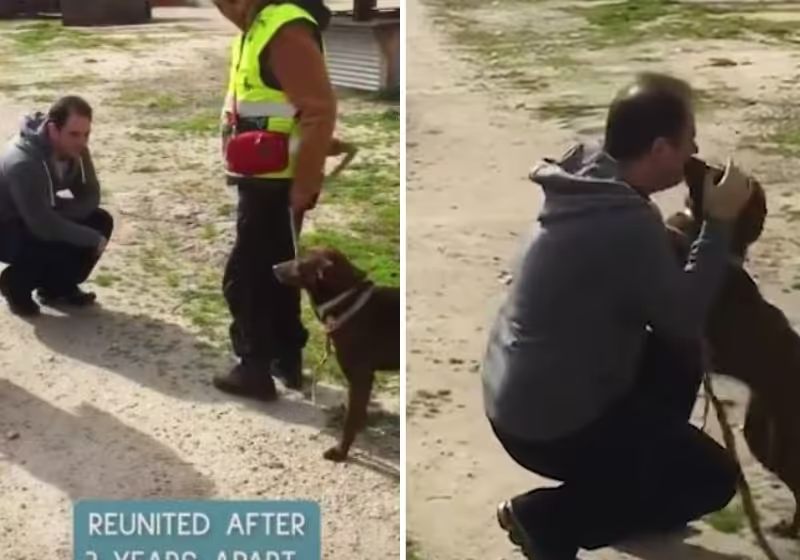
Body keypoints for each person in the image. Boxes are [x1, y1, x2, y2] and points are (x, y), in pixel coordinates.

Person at [481, 73, 753, 559]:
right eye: (690, 139)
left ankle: (628, 477)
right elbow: (685, 317)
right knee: (711, 481)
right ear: (661, 149)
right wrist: (720, 222)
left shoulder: (589, 182)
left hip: (519, 392)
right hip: (547, 426)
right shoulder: (623, 222)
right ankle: (546, 517)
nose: (696, 150)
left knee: (678, 363)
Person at [211, 0, 338, 401]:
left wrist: (305, 184)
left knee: (245, 279)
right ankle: (286, 358)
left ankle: (254, 368)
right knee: (279, 274)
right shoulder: (258, 23)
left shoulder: (283, 28)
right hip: (263, 175)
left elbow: (319, 109)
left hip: (276, 182)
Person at [0, 95, 112, 317]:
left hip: (37, 215)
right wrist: (90, 238)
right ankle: (15, 283)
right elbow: (43, 226)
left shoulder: (77, 150)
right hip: (6, 227)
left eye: (86, 134)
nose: (82, 141)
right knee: (50, 237)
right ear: (53, 129)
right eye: (74, 134)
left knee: (100, 221)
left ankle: (57, 287)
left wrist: (61, 216)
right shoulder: (24, 162)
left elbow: (91, 194)